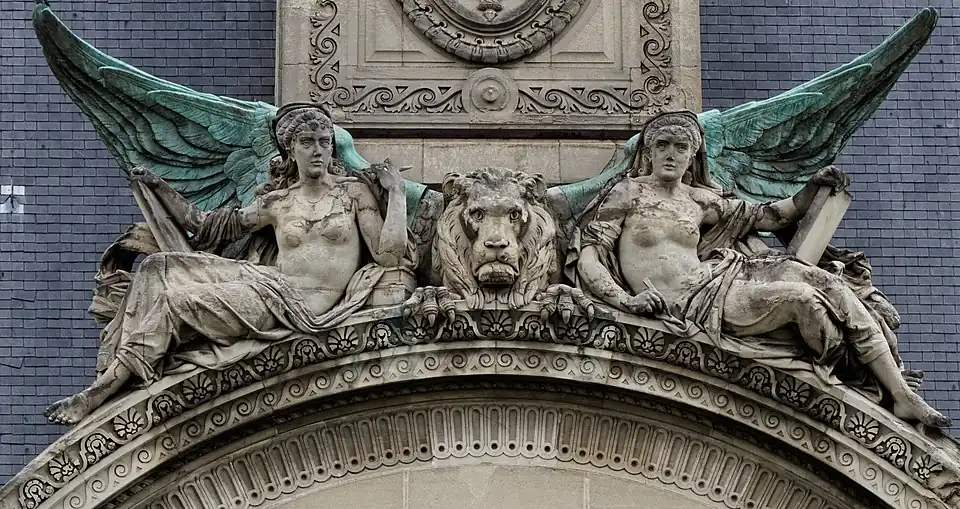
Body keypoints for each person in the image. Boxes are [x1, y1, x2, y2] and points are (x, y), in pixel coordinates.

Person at [574, 110, 950, 427]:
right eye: (662, 145)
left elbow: (768, 215)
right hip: (688, 304)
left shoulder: (699, 200)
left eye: (681, 147)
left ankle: (900, 392)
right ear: (648, 152)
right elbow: (591, 255)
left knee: (824, 281)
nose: (671, 155)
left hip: (718, 276)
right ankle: (851, 375)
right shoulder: (627, 193)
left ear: (693, 156)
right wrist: (625, 300)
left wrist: (810, 189)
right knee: (802, 299)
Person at [45, 103, 410, 425]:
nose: (318, 150)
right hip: (270, 282)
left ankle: (99, 394)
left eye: (324, 141)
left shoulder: (353, 193)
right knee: (160, 266)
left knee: (175, 304)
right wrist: (160, 187)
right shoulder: (278, 202)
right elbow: (205, 226)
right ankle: (115, 369)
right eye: (308, 142)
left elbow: (389, 254)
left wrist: (395, 193)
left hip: (299, 304)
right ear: (291, 149)